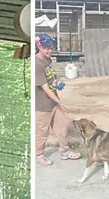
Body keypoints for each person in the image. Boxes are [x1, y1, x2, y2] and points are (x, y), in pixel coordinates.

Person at [34, 33, 80, 166]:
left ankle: (64, 151)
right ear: (39, 47)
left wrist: (56, 85)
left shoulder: (48, 60)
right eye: (46, 48)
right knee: (42, 131)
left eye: (50, 48)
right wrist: (60, 102)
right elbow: (45, 89)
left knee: (62, 126)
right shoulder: (37, 64)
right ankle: (39, 155)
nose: (49, 51)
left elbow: (50, 81)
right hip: (43, 105)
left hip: (54, 101)